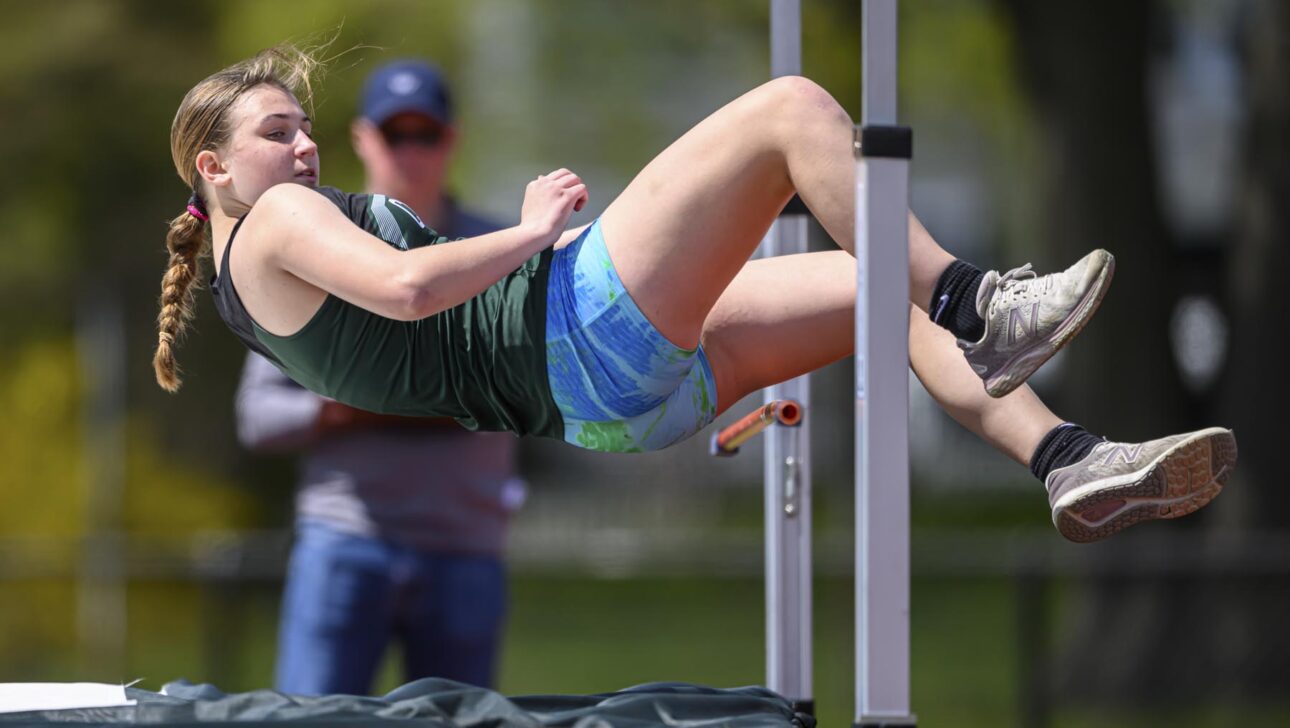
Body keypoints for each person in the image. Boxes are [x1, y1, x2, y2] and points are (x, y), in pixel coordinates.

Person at [155, 44, 1236, 544]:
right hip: (568, 329)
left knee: (883, 298)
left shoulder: (243, 290)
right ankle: (983, 303)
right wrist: (533, 230)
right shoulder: (276, 223)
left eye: (303, 126)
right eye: (275, 130)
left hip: (607, 410)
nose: (301, 146)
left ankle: (1069, 461)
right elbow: (400, 288)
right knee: (791, 109)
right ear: (211, 166)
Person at [234, 59, 521, 695]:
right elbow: (258, 416)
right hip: (345, 541)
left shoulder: (497, 245)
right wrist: (366, 402)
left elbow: (522, 382)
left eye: (427, 134)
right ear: (364, 139)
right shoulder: (309, 243)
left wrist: (377, 393)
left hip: (465, 544)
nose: (411, 152)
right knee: (315, 717)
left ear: (452, 139)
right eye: (396, 135)